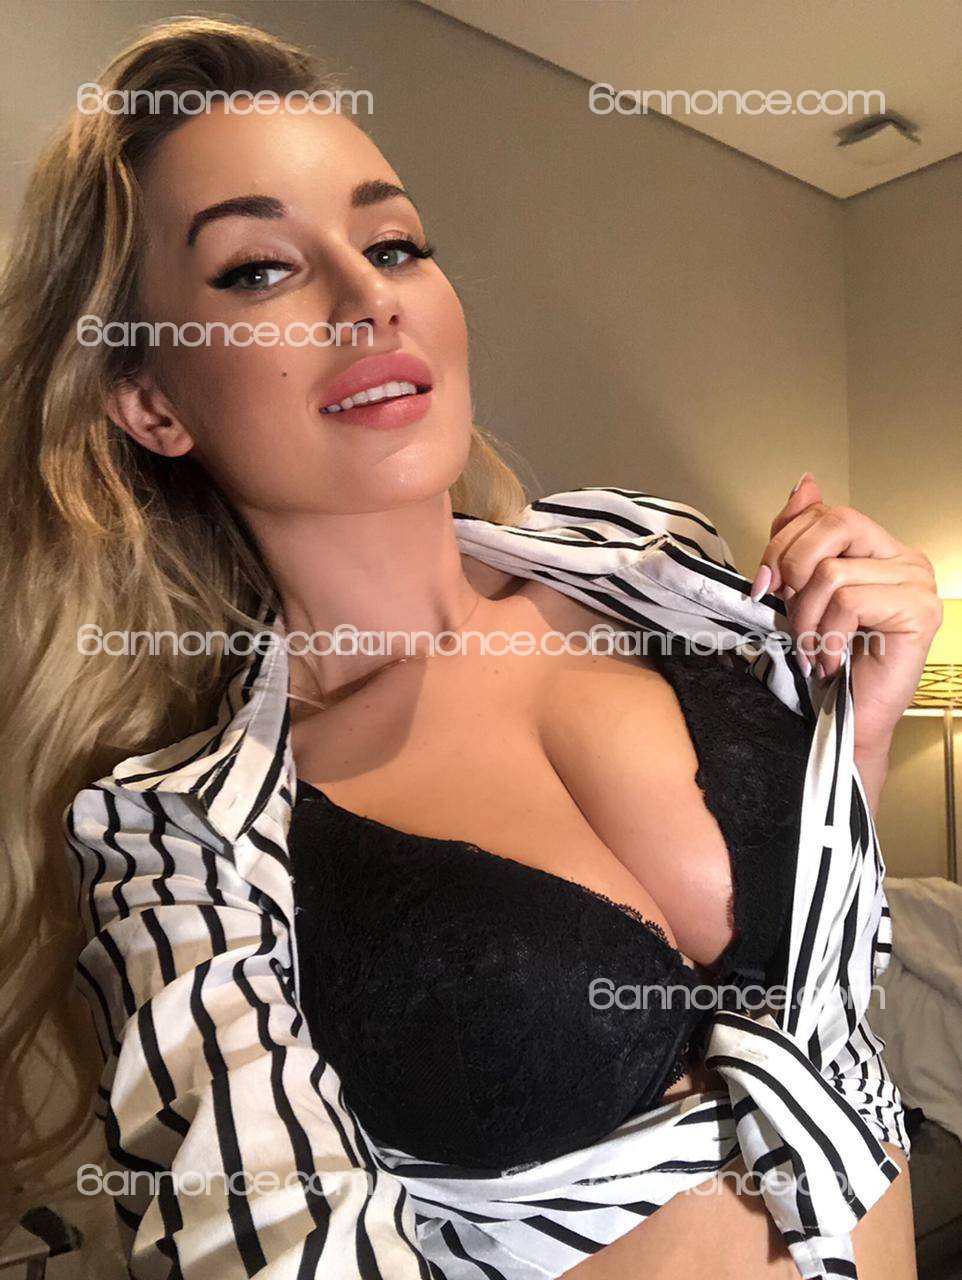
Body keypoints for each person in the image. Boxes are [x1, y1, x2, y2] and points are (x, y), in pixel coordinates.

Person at [2, 14, 940, 1279]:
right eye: (258, 270)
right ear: (152, 400)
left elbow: (823, 961)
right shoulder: (185, 845)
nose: (368, 296)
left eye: (391, 243)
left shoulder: (664, 572)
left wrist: (858, 727)